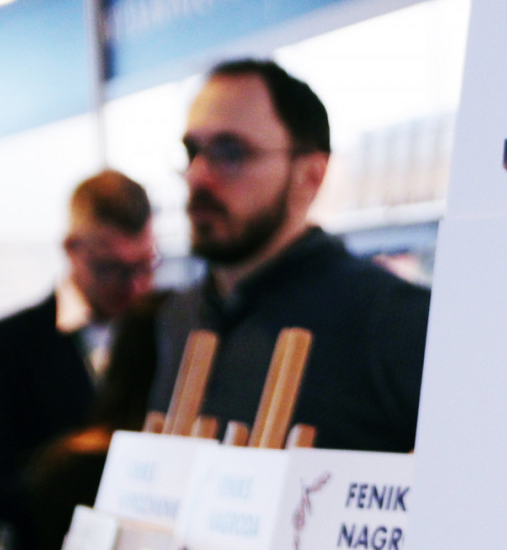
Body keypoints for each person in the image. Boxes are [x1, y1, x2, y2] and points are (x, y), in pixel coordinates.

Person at [146, 59, 430, 453]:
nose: (197, 176)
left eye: (230, 152)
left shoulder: (393, 319)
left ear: (311, 175)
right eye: (191, 151)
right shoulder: (179, 316)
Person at [0, 170, 156, 524]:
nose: (135, 287)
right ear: (71, 248)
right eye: (111, 268)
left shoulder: (167, 330)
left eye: (145, 266)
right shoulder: (5, 345)